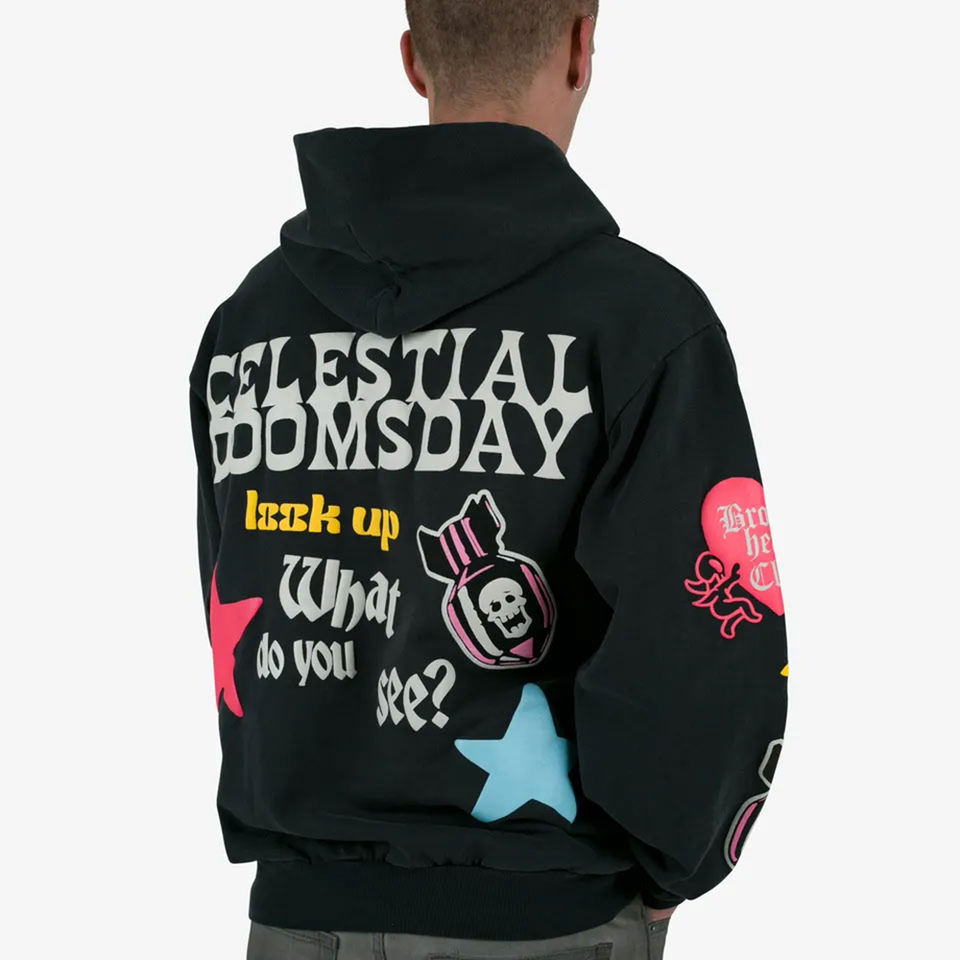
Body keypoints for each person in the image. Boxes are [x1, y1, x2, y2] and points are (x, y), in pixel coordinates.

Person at [188, 2, 789, 958]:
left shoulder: (250, 323)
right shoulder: (641, 322)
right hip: (551, 918)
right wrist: (673, 863)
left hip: (296, 921)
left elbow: (233, 602)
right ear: (582, 44)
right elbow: (706, 643)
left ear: (414, 59)